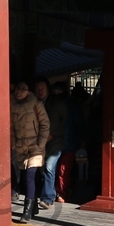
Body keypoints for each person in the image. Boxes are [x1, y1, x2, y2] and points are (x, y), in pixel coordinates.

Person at [10, 79, 50, 220]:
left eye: (23, 89)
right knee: (24, 178)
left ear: (29, 92)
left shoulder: (36, 104)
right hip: (20, 146)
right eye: (17, 89)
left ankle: (26, 212)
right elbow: (10, 128)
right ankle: (33, 207)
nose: (19, 92)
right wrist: (13, 144)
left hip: (35, 146)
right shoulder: (11, 105)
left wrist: (40, 144)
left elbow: (45, 125)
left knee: (30, 176)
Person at [37, 78, 68, 206]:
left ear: (47, 89)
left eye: (42, 88)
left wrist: (53, 134)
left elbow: (65, 121)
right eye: (37, 88)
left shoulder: (57, 103)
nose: (40, 91)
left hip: (56, 141)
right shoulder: (34, 103)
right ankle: (49, 193)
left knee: (49, 167)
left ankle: (47, 198)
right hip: (39, 141)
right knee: (41, 168)